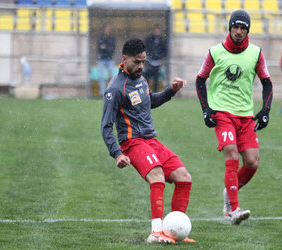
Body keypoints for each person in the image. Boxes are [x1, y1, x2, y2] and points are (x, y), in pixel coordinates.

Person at [101, 38, 195, 244]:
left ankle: (175, 231)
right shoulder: (116, 88)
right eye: (137, 62)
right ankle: (155, 232)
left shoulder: (141, 81)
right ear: (124, 59)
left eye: (144, 61)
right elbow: (106, 125)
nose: (141, 66)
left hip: (151, 141)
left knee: (184, 177)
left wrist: (172, 90)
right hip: (132, 143)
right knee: (157, 176)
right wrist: (117, 153)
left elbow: (150, 101)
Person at [195, 10, 273, 225]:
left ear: (248, 30)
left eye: (243, 28)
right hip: (222, 113)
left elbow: (267, 82)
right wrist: (206, 109)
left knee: (252, 162)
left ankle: (228, 194)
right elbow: (200, 79)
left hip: (245, 116)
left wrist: (265, 111)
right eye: (235, 27)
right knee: (231, 154)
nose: (239, 31)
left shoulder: (256, 53)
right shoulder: (215, 52)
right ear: (229, 28)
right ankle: (233, 209)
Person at [143, 25, 168, 92]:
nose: (157, 32)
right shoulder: (148, 39)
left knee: (156, 78)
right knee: (147, 75)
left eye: (158, 31)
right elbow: (145, 49)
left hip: (158, 62)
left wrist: (162, 59)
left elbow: (165, 51)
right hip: (149, 61)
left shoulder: (163, 40)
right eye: (155, 31)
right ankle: (146, 90)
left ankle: (155, 92)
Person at [97, 24, 116, 96]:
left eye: (109, 28)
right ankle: (102, 93)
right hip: (102, 59)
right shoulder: (101, 37)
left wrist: (106, 47)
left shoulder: (112, 38)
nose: (108, 30)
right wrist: (107, 48)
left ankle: (111, 92)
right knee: (101, 77)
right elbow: (100, 47)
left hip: (110, 59)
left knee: (111, 77)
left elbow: (112, 49)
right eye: (106, 28)